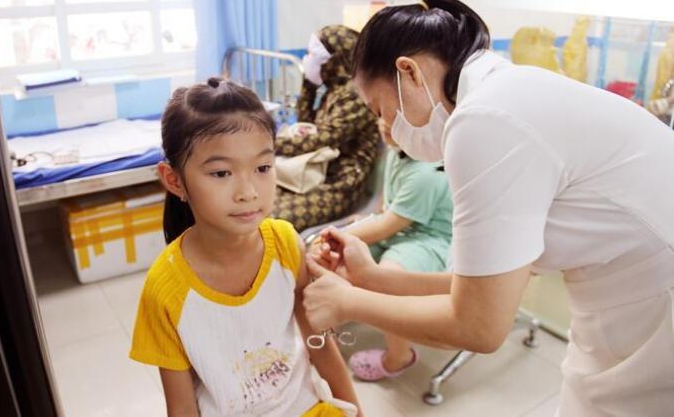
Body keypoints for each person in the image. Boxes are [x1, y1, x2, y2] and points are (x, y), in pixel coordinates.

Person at [303, 0, 674, 417]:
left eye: (381, 110)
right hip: (625, 297)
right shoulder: (503, 94)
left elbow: (478, 325)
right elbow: (478, 287)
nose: (386, 131)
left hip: (656, 305)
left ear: (407, 71)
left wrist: (347, 302)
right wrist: (369, 277)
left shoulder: (483, 121)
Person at [129, 78, 360, 417]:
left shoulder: (284, 242)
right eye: (221, 173)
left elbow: (318, 340)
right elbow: (181, 407)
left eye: (263, 168)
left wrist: (353, 407)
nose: (248, 191)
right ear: (175, 180)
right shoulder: (165, 290)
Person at [313, 117, 452, 381]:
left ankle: (399, 357)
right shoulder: (397, 151)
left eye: (396, 119)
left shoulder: (426, 173)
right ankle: (323, 337)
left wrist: (337, 236)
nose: (384, 124)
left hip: (429, 239)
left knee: (388, 278)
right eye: (381, 114)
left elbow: (387, 226)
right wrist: (360, 224)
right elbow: (384, 207)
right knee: (332, 261)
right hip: (398, 227)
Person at [272, 25, 380, 232]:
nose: (307, 58)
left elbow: (321, 139)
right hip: (313, 171)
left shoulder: (355, 95)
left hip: (339, 184)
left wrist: (267, 146)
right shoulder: (334, 89)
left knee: (273, 220)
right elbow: (306, 123)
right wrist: (309, 85)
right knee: (258, 205)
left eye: (313, 54)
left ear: (335, 59)